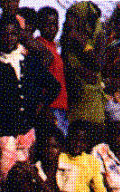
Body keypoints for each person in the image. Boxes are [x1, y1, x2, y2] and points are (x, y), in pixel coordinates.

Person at [0, 16, 59, 180]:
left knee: (29, 175)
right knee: (8, 176)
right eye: (5, 34)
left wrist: (41, 106)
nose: (9, 38)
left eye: (13, 34)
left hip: (29, 131)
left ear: (19, 35)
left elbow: (54, 86)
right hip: (4, 133)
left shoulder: (30, 62)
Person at [60, 1, 106, 146]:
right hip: (75, 101)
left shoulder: (96, 37)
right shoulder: (67, 39)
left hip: (92, 102)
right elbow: (68, 67)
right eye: (68, 17)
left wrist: (82, 43)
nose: (69, 21)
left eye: (73, 17)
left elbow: (97, 65)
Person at [35, 6, 69, 135]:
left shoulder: (54, 47)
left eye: (55, 24)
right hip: (50, 107)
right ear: (39, 25)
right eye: (47, 24)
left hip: (61, 106)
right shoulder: (39, 46)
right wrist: (43, 107)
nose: (52, 28)